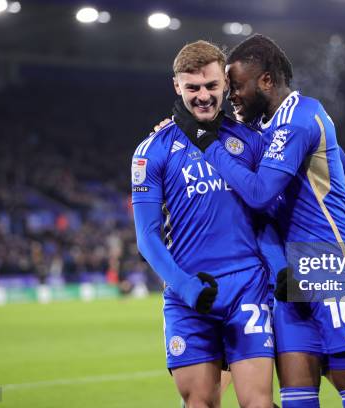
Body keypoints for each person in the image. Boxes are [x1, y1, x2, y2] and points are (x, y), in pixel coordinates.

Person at [173, 34, 345, 408]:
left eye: (236, 86)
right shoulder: (265, 130)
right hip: (287, 279)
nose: (232, 96)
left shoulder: (301, 117)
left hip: (333, 264)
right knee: (296, 397)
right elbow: (343, 162)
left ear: (266, 81)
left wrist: (208, 144)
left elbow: (258, 193)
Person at [132, 40, 282, 408]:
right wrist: (183, 285)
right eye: (193, 87)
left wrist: (279, 273)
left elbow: (270, 216)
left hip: (247, 288)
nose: (203, 96)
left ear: (226, 85)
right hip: (189, 297)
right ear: (176, 86)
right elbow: (148, 236)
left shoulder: (251, 142)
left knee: (257, 404)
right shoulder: (152, 150)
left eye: (212, 86)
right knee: (199, 403)